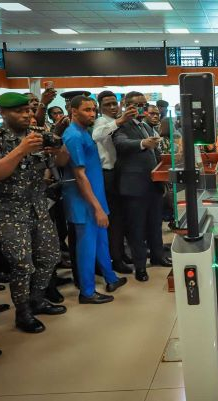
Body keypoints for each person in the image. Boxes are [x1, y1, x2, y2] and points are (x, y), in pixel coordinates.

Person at [0, 92, 68, 333]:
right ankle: (22, 313)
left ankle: (38, 300)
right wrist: (20, 150)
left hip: (38, 206)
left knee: (50, 257)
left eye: (28, 110)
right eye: (19, 111)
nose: (26, 114)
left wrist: (58, 150)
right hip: (9, 211)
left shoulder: (40, 136)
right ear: (3, 113)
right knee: (22, 265)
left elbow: (62, 162)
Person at [63, 95, 127, 304]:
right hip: (85, 202)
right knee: (87, 247)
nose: (91, 114)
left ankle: (111, 278)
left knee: (101, 240)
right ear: (73, 111)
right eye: (86, 110)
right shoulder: (73, 136)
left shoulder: (85, 131)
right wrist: (97, 207)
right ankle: (87, 292)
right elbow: (80, 176)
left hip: (96, 196)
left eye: (93, 110)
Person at [113, 91, 171, 282]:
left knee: (155, 224)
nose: (141, 108)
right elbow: (121, 144)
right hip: (133, 187)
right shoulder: (120, 125)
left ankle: (157, 256)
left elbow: (154, 154)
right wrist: (142, 143)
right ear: (126, 104)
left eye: (143, 104)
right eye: (137, 104)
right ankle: (140, 266)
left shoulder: (145, 125)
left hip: (152, 183)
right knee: (137, 228)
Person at [92, 90, 136, 275]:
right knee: (115, 220)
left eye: (113, 103)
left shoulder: (121, 119)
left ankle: (122, 253)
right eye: (107, 105)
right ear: (100, 107)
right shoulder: (101, 122)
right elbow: (97, 135)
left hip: (121, 172)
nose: (111, 107)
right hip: (108, 174)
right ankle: (116, 259)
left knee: (124, 218)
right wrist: (118, 121)